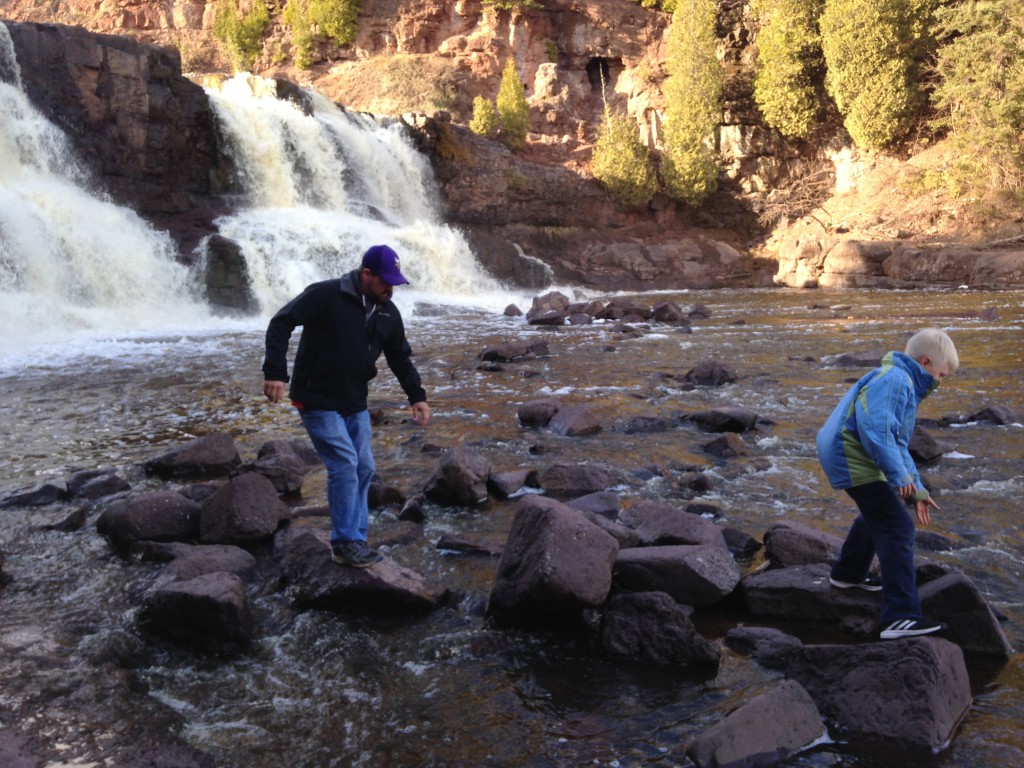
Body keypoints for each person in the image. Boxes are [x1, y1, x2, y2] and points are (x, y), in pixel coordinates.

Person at [262, 244, 430, 567]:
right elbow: (281, 322)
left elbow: (399, 358)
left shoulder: (387, 313)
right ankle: (344, 543)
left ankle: (357, 537)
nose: (390, 288)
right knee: (344, 464)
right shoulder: (326, 295)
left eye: (395, 282)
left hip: (354, 401)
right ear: (366, 274)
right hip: (317, 398)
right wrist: (275, 373)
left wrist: (417, 396)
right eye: (385, 281)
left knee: (365, 467)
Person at [816, 328, 958, 640]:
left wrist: (915, 489)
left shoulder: (900, 379)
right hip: (850, 452)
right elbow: (877, 431)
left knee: (878, 510)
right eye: (942, 375)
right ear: (925, 362)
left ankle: (847, 574)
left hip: (850, 451)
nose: (940, 382)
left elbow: (897, 443)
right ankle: (900, 617)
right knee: (898, 528)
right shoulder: (896, 380)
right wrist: (901, 478)